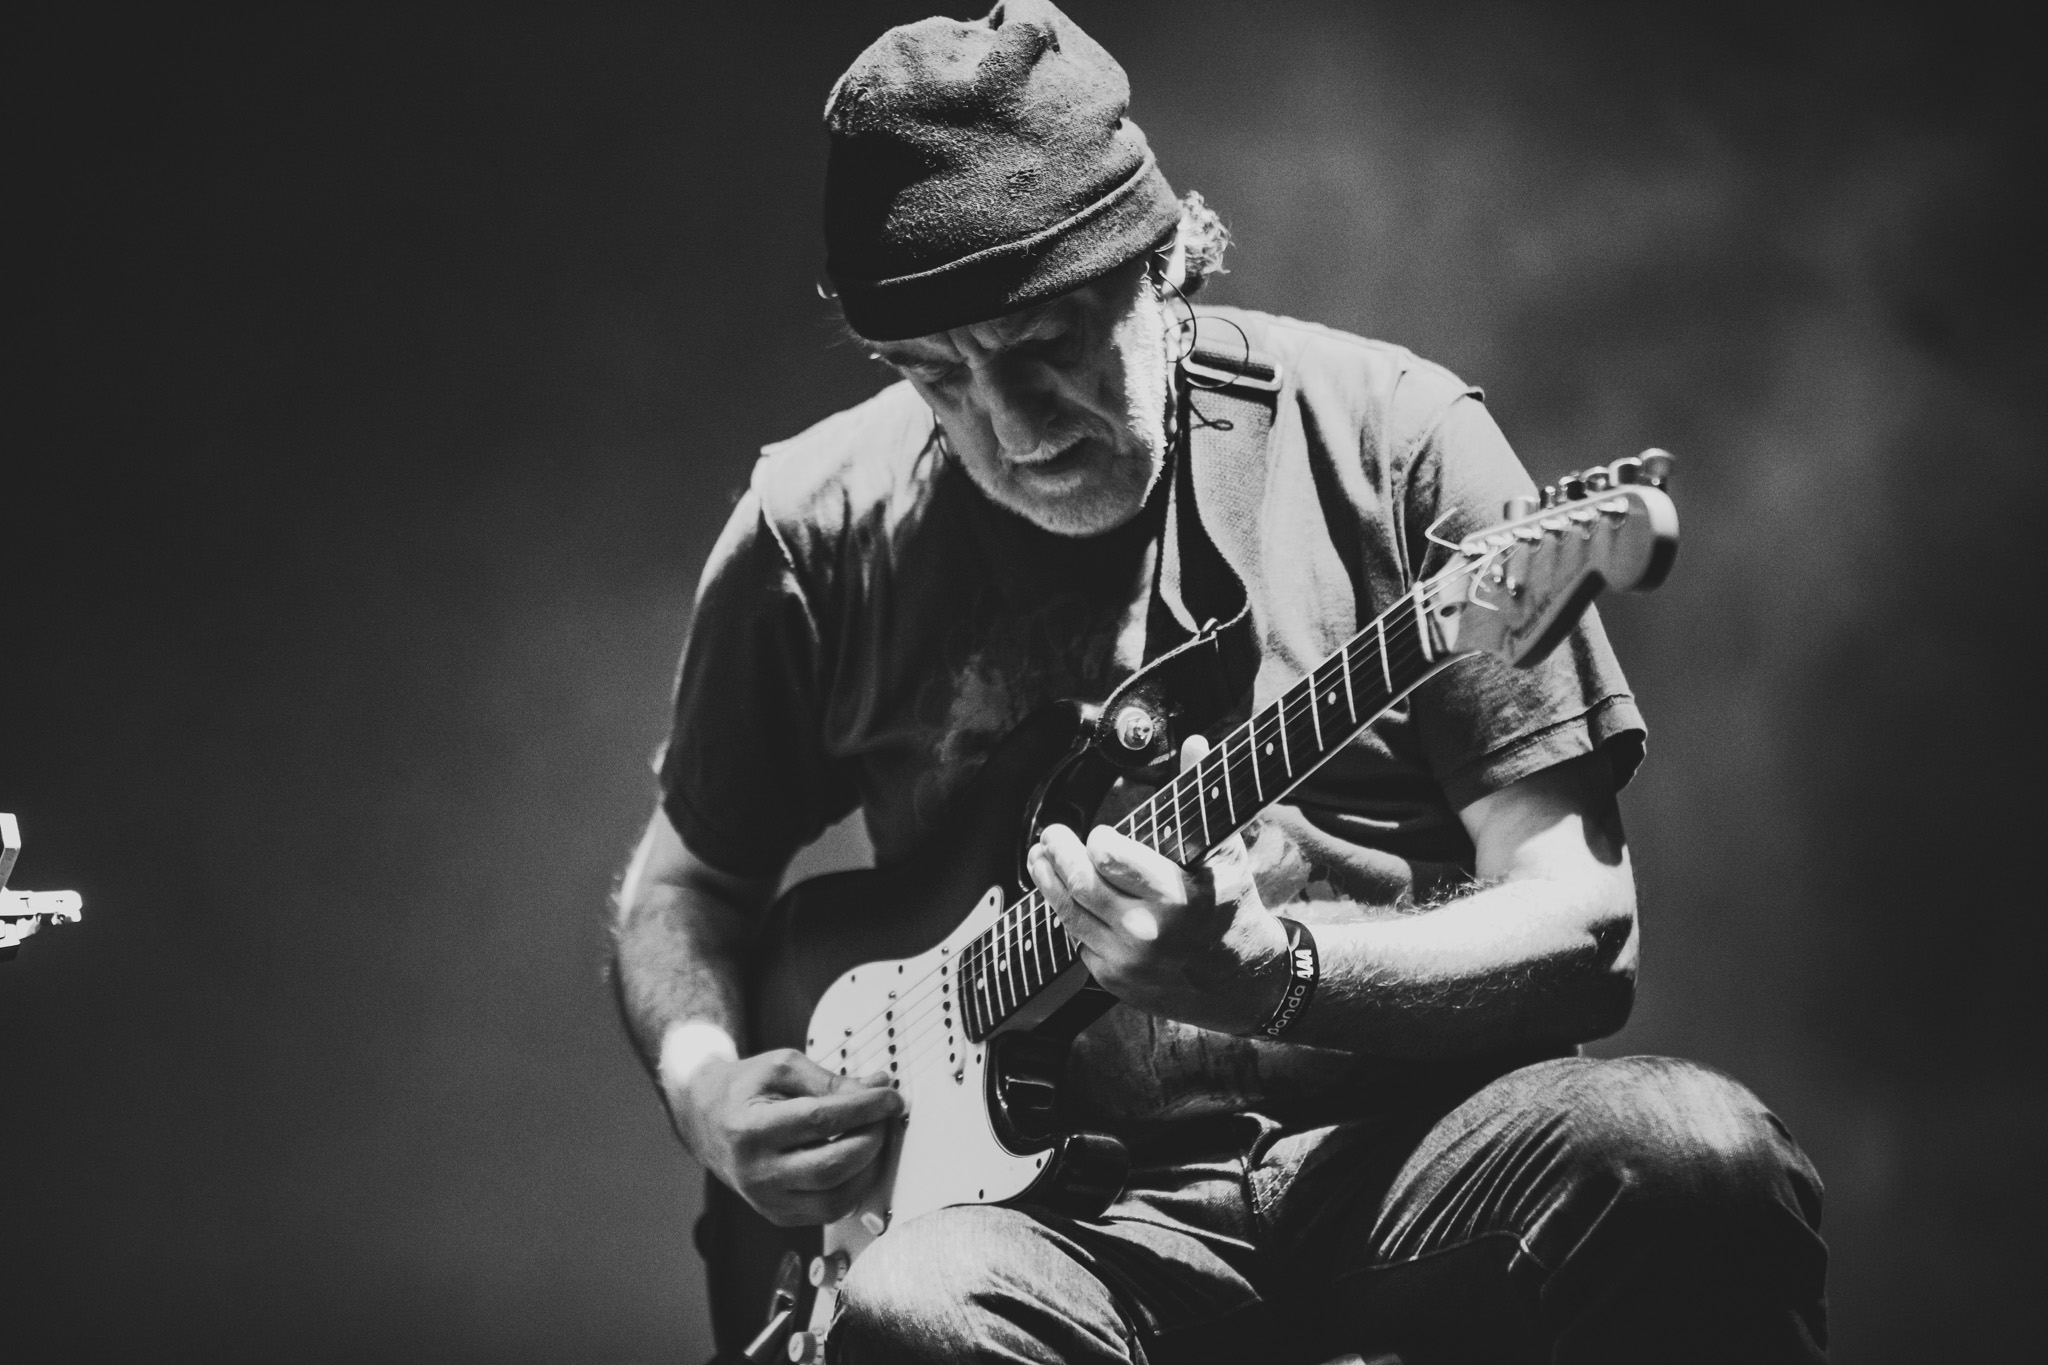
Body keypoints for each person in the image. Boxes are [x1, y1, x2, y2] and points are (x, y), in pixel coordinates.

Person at [612, 4, 1828, 1361]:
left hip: (1408, 1157)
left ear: (1166, 259)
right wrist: (708, 1094)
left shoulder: (1399, 439)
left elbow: (1585, 923)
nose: (1008, 426)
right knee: (913, 1309)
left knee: (1690, 1155)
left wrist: (1277, 974)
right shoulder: (816, 526)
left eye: (1044, 342)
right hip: (1066, 1228)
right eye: (935, 376)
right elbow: (681, 890)